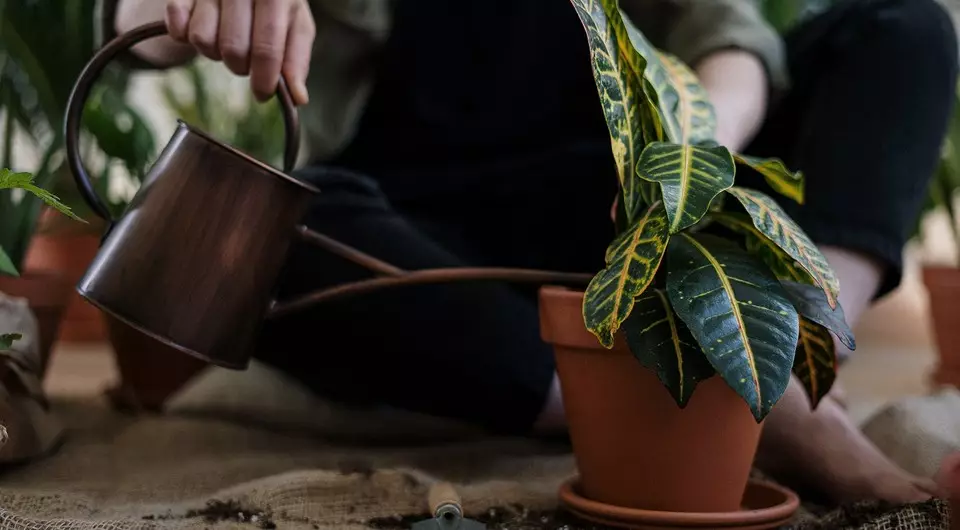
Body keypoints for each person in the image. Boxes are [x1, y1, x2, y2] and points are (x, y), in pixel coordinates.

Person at [104, 0, 958, 505]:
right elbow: (134, 24)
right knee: (275, 239)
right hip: (416, 225)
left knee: (904, 29)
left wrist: (688, 159)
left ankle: (806, 362)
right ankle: (665, 402)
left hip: (631, 215)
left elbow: (731, 42)